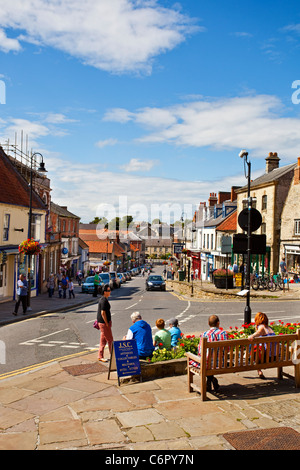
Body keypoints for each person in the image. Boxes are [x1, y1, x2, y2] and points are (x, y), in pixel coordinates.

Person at [192, 315, 228, 392]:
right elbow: (227, 349)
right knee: (209, 363)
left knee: (202, 362)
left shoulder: (204, 334)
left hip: (207, 364)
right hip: (221, 364)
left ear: (208, 323)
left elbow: (200, 351)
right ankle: (211, 379)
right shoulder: (224, 333)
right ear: (218, 323)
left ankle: (210, 379)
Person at [248, 312, 275, 379]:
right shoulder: (270, 329)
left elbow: (259, 332)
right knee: (258, 349)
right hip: (274, 357)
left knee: (253, 348)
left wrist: (252, 335)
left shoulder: (261, 327)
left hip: (265, 358)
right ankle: (259, 370)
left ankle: (250, 360)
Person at [97, 285, 113, 362]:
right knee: (110, 340)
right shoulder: (103, 300)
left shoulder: (104, 299)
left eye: (110, 290)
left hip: (103, 323)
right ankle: (113, 356)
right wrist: (107, 323)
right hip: (104, 324)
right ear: (105, 292)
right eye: (108, 290)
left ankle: (100, 356)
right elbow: (103, 313)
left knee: (103, 341)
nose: (110, 292)